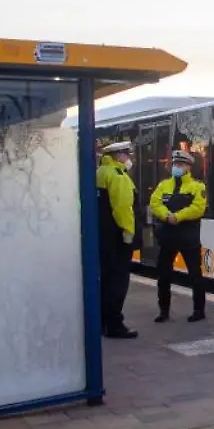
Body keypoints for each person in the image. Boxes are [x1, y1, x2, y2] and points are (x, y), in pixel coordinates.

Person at [150, 149, 208, 323]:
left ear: (189, 167)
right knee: (163, 276)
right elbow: (154, 203)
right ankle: (163, 311)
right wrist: (167, 215)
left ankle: (199, 310)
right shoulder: (163, 185)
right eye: (175, 164)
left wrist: (178, 216)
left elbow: (198, 208)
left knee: (195, 276)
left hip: (188, 239)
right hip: (167, 238)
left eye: (180, 164)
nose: (176, 167)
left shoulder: (197, 187)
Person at [97, 141, 139, 339]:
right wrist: (128, 232)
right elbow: (123, 207)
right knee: (118, 281)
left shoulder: (99, 173)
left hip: (102, 236)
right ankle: (115, 324)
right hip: (116, 237)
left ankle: (102, 322)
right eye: (127, 154)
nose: (129, 158)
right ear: (119, 156)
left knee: (105, 280)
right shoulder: (118, 175)